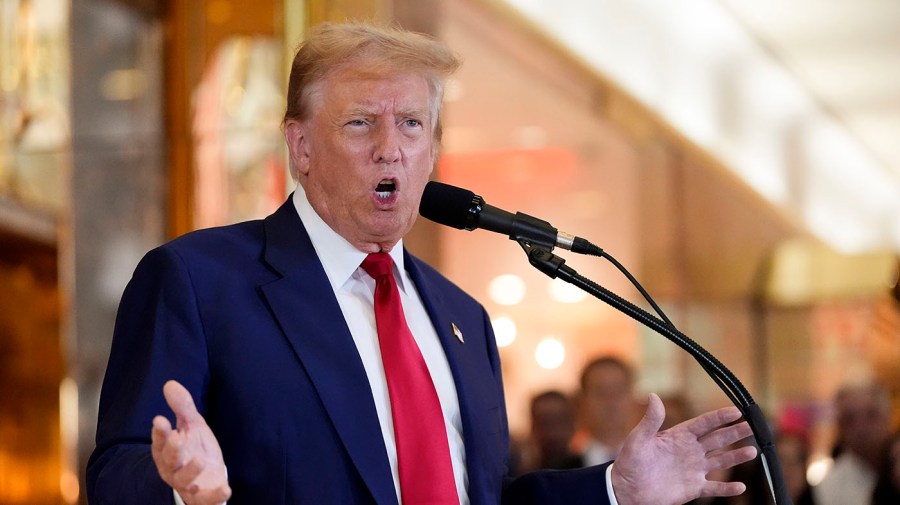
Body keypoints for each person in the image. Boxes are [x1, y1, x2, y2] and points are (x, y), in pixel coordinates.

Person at [86, 22, 757, 505]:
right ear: (300, 146)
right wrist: (175, 490)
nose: (390, 149)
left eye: (411, 124)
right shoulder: (199, 281)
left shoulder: (463, 319)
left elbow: (488, 496)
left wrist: (616, 487)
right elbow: (117, 475)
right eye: (359, 124)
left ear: (433, 149)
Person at [812, 379, 893, 505]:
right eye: (850, 419)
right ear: (839, 427)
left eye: (871, 415)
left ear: (887, 417)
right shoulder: (829, 488)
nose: (861, 427)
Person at [578, 356, 641, 466]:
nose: (611, 400)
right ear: (583, 401)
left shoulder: (657, 464)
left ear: (633, 397)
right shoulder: (562, 471)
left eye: (619, 390)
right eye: (600, 391)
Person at [519, 390, 584, 474]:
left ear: (572, 425)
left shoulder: (589, 469)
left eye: (559, 421)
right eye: (544, 422)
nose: (552, 430)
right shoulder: (521, 476)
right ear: (532, 427)